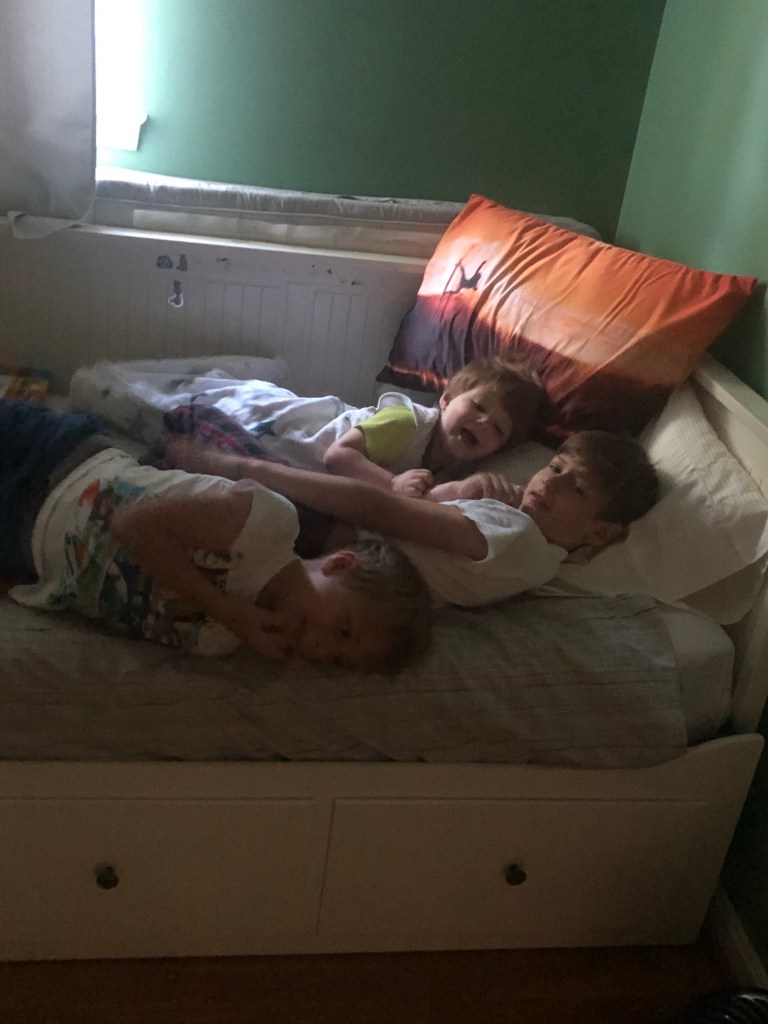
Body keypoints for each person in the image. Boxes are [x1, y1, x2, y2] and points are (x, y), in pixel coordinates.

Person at [1, 399, 432, 671]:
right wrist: (226, 610)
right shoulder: (267, 526)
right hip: (51, 461)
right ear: (339, 564)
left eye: (337, 659)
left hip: (20, 545)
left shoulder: (217, 641)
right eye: (343, 630)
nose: (320, 649)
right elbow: (132, 526)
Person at [161, 427, 660, 608]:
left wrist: (245, 469)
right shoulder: (530, 548)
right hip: (334, 537)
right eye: (554, 467)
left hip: (324, 533)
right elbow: (432, 518)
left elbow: (384, 511)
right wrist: (461, 492)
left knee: (220, 450)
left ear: (600, 532)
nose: (549, 482)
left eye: (576, 487)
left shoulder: (520, 539)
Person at [211, 355, 542, 498]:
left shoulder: (457, 467)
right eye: (479, 406)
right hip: (313, 437)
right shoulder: (407, 423)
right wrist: (393, 483)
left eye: (498, 429)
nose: (483, 423)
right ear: (446, 400)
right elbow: (337, 457)